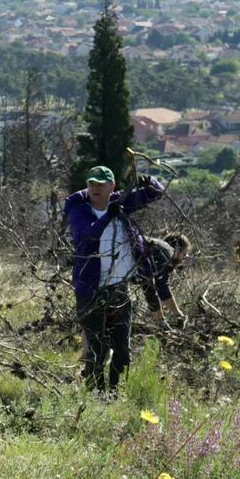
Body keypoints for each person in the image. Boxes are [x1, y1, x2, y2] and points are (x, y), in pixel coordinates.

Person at [64, 165, 164, 394]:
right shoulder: (79, 210)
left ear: (112, 187)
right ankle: (95, 395)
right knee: (96, 348)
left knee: (122, 349)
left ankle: (115, 393)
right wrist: (110, 213)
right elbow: (87, 235)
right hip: (91, 291)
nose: (95, 188)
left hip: (119, 289)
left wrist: (149, 182)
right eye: (91, 184)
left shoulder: (120, 203)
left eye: (101, 184)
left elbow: (155, 193)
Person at [138, 233, 191, 324]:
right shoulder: (166, 252)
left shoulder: (158, 247)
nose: (184, 257)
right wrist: (161, 320)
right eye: (184, 253)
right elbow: (159, 288)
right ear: (178, 249)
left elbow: (160, 288)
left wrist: (178, 314)